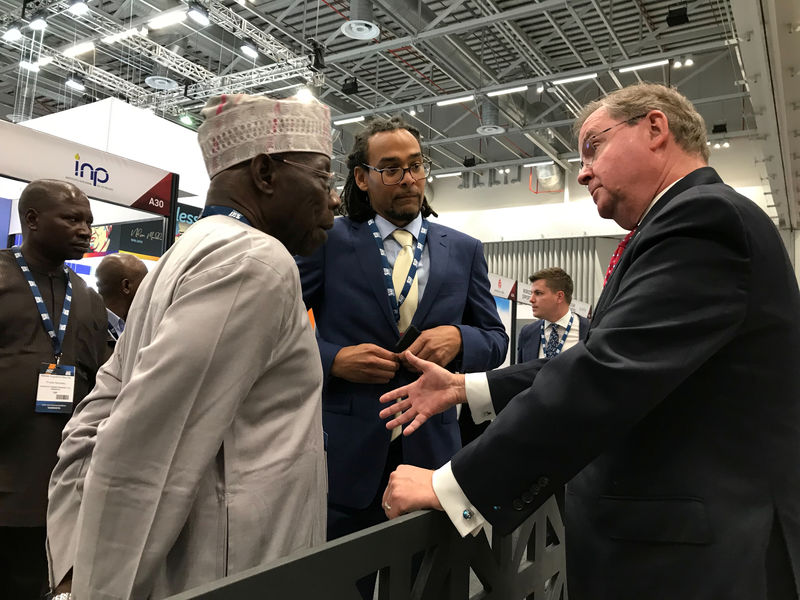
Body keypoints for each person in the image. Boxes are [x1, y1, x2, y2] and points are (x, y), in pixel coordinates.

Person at [378, 83, 800, 599]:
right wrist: (469, 388)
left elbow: (606, 372)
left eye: (593, 146)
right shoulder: (684, 222)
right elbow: (603, 355)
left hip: (701, 558)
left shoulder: (703, 219)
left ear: (654, 128)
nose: (581, 171)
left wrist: (453, 486)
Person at [46, 93, 339, 600]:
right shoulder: (256, 263)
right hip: (232, 564)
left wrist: (76, 556)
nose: (334, 199)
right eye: (323, 178)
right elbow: (147, 442)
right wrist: (97, 589)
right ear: (266, 173)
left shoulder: (183, 256)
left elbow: (96, 418)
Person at [295, 117, 507, 582]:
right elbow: (278, 331)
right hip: (346, 457)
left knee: (425, 583)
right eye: (390, 168)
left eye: (415, 165)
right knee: (338, 583)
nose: (408, 178)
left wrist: (461, 339)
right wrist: (334, 359)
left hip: (433, 454)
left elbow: (496, 342)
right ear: (362, 178)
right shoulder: (328, 242)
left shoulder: (464, 249)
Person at [0, 180, 108, 600]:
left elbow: (100, 379)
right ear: (31, 220)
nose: (85, 230)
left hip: (55, 484)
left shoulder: (87, 297)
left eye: (89, 222)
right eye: (72, 218)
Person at [517, 267, 589, 363]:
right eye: (531, 293)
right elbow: (521, 374)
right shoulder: (527, 333)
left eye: (538, 293)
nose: (531, 299)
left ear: (559, 297)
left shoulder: (589, 330)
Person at [95, 252, 149, 343]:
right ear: (126, 286)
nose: (148, 290)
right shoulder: (88, 328)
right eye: (145, 283)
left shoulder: (139, 324)